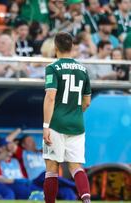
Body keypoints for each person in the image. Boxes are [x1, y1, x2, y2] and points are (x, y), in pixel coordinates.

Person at [43, 32, 92, 203]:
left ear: (55, 47)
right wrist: (74, 113)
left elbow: (50, 96)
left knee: (51, 166)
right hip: (77, 124)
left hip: (56, 123)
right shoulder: (83, 70)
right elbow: (87, 102)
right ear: (71, 47)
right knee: (76, 167)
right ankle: (86, 199)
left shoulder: (52, 68)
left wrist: (45, 125)